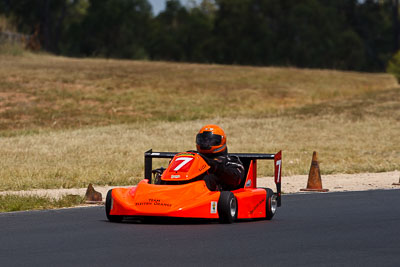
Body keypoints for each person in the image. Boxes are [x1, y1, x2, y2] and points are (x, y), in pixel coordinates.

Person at [196, 124, 245, 191]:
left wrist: (216, 167)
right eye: (203, 140)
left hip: (217, 193)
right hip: (190, 189)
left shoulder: (230, 160)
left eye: (210, 140)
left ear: (221, 141)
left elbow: (236, 179)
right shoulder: (197, 158)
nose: (206, 143)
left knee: (208, 178)